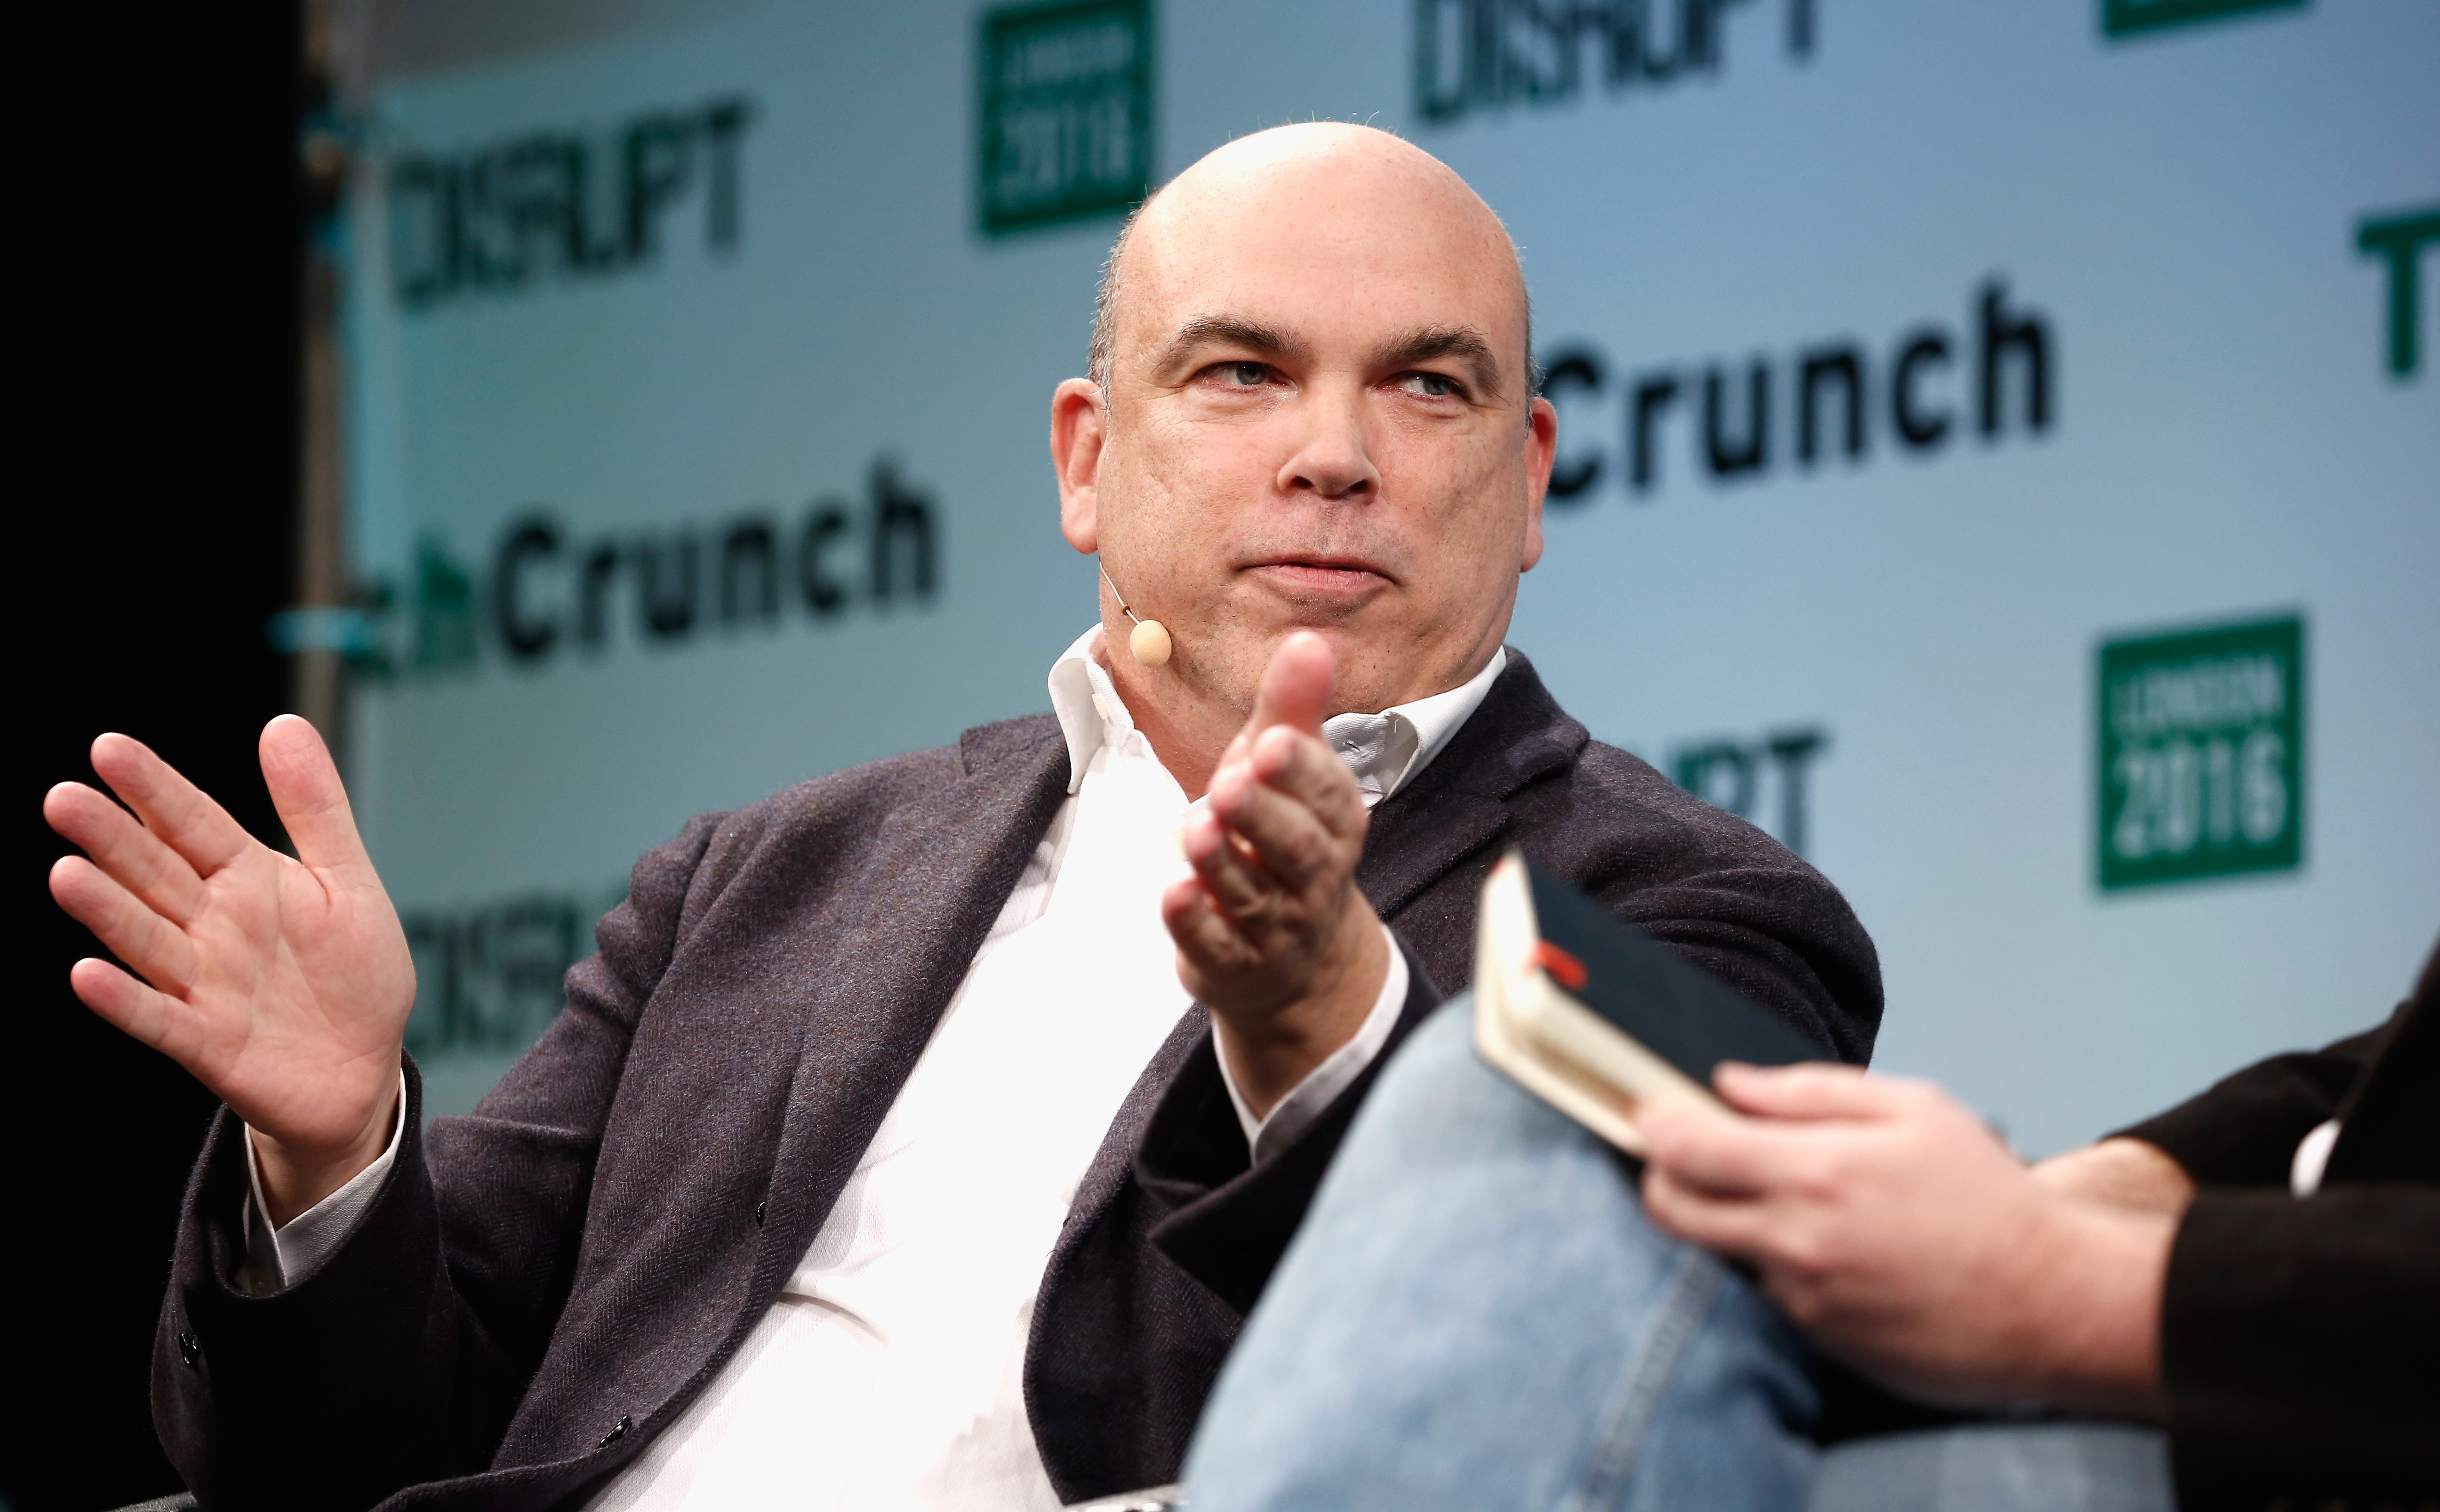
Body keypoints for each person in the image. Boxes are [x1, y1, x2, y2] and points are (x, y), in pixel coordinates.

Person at [41, 124, 1882, 1512]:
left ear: (1528, 474)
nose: (1335, 453)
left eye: (1425, 384)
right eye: (1241, 373)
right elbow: (347, 1463)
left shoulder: (1694, 917)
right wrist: (333, 1150)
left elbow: (1579, 1407)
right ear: (1087, 457)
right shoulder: (758, 883)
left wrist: (1325, 1033)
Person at [1179, 940, 2439, 1511]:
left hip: (2308, 1399)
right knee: (1505, 1076)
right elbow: (2388, 1075)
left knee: (1514, 1097)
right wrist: (2103, 1188)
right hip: (2265, 1356)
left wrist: (2067, 1284)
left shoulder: (1717, 884)